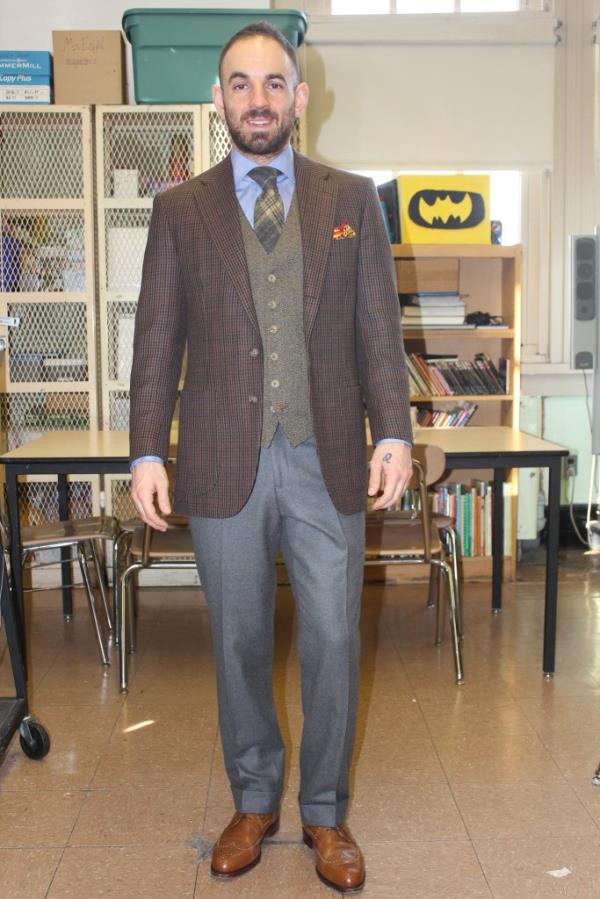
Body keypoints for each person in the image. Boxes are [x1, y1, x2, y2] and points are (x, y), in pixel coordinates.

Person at [129, 21, 413, 894]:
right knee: (240, 638)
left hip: (326, 455)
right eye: (241, 84)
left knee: (332, 636)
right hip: (221, 458)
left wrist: (394, 430)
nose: (259, 98)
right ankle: (254, 799)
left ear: (301, 96)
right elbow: (156, 337)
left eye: (274, 82)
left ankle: (325, 812)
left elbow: (377, 326)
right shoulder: (181, 209)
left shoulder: (352, 199)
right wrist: (145, 449)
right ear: (219, 101)